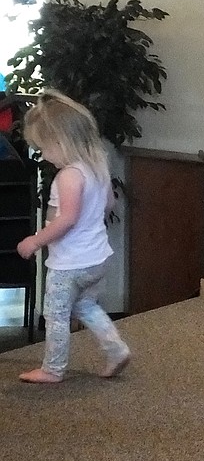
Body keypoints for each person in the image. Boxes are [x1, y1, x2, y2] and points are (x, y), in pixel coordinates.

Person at [16, 91, 131, 383]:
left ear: (61, 142)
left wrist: (36, 240)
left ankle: (52, 369)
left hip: (69, 265)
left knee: (56, 316)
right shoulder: (98, 166)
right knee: (86, 305)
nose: (43, 155)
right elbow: (108, 204)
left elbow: (66, 219)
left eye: (44, 148)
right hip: (98, 258)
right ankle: (116, 348)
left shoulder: (68, 176)